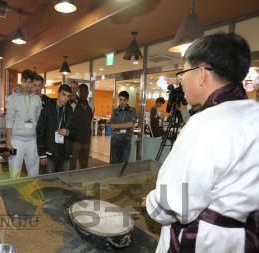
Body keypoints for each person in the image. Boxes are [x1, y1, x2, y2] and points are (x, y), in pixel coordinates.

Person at [143, 33, 259, 253]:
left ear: (202, 74)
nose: (181, 82)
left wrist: (150, 203)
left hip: (207, 241)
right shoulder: (254, 113)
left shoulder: (204, 124)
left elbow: (176, 202)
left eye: (183, 72)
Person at [6, 69, 42, 179]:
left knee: (34, 171)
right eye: (25, 81)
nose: (27, 85)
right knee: (15, 170)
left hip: (32, 140)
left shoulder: (37, 99)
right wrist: (8, 141)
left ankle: (33, 192)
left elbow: (38, 118)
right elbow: (9, 119)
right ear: (21, 81)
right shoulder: (12, 98)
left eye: (30, 82)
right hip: (16, 140)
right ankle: (14, 193)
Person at [37, 84, 77, 173]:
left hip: (65, 153)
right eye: (63, 95)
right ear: (58, 94)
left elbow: (75, 131)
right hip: (50, 152)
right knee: (49, 181)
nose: (65, 98)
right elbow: (40, 131)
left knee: (64, 181)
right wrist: (42, 154)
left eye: (68, 96)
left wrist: (68, 132)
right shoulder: (47, 109)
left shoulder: (70, 111)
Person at [109, 91, 136, 164]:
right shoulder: (115, 111)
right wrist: (126, 126)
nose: (122, 102)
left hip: (127, 139)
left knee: (124, 162)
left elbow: (131, 124)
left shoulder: (132, 110)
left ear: (127, 100)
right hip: (116, 139)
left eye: (124, 100)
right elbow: (111, 125)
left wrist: (117, 126)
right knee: (114, 162)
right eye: (120, 99)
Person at [71, 83, 93, 170]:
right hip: (76, 140)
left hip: (86, 140)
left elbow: (89, 120)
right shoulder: (73, 105)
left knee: (84, 164)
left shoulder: (90, 106)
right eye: (82, 91)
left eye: (85, 91)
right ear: (78, 93)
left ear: (88, 93)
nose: (84, 93)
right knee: (72, 163)